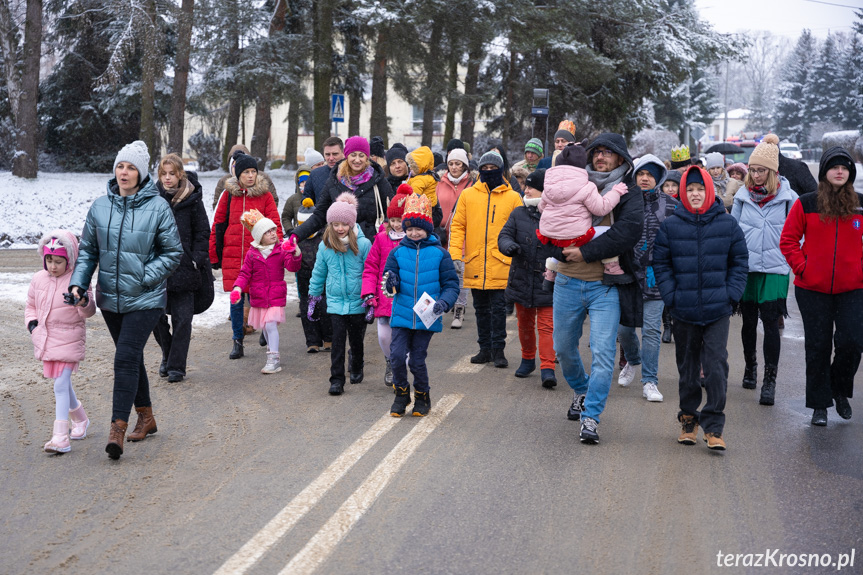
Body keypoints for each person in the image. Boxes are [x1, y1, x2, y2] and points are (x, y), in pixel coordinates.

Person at [69, 140, 182, 460]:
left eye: (131, 167)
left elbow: (173, 253)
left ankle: (117, 427)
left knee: (125, 357)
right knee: (129, 356)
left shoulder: (157, 207)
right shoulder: (100, 206)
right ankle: (146, 416)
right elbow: (88, 252)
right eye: (121, 165)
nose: (124, 172)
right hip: (110, 300)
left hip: (146, 299)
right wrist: (79, 284)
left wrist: (144, 278)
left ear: (142, 173)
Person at [551, 133, 643, 445]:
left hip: (606, 286)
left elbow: (627, 232)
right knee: (563, 348)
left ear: (621, 159)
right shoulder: (569, 182)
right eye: (597, 152)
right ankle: (581, 389)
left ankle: (591, 416)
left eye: (608, 153)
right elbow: (548, 218)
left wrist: (586, 251)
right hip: (566, 279)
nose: (601, 157)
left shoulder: (629, 192)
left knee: (603, 353)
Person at [653, 165, 749, 451]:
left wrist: (731, 295)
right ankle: (688, 418)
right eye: (690, 190)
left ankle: (714, 425)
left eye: (700, 189)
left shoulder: (727, 223)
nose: (695, 194)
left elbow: (740, 262)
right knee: (688, 368)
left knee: (716, 366)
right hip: (683, 309)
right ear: (683, 193)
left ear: (710, 191)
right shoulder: (671, 225)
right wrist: (671, 296)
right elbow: (662, 263)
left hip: (717, 309)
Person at [780, 147, 863, 426]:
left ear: (850, 172)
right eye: (834, 167)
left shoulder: (860, 204)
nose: (839, 171)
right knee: (817, 346)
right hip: (813, 289)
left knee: (852, 342)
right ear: (825, 171)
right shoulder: (806, 203)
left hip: (853, 288)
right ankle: (819, 405)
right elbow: (788, 240)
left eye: (845, 167)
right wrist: (803, 267)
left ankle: (838, 390)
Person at [731, 134, 798, 405]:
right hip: (747, 268)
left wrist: (792, 259)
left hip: (775, 269)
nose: (756, 175)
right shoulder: (741, 195)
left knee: (770, 323)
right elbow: (732, 232)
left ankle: (770, 380)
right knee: (747, 322)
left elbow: (797, 235)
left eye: (761, 170)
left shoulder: (787, 198)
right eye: (753, 169)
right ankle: (751, 368)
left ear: (772, 172)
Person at [382, 193, 459, 416]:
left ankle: (423, 396)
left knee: (416, 360)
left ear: (428, 228)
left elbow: (451, 285)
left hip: (427, 316)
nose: (414, 233)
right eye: (409, 229)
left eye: (419, 228)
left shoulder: (440, 254)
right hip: (402, 314)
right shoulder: (396, 253)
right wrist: (391, 282)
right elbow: (388, 280)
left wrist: (444, 303)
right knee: (396, 356)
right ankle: (401, 394)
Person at [448, 150, 523, 368]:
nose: (489, 172)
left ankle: (498, 350)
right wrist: (454, 255)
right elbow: (458, 226)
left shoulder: (513, 197)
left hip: (502, 262)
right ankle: (485, 349)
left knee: (499, 308)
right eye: (485, 168)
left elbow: (521, 227)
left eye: (493, 168)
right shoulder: (468, 195)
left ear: (501, 170)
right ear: (478, 170)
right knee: (480, 308)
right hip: (475, 260)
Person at [27, 230, 97, 453]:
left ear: (69, 259)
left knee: (60, 384)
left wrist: (82, 301)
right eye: (49, 260)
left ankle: (60, 438)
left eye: (58, 261)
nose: (53, 266)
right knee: (63, 383)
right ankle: (81, 419)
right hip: (46, 337)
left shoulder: (78, 279)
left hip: (69, 338)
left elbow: (89, 311)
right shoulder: (39, 278)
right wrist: (32, 324)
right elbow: (30, 306)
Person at [210, 153, 284, 361]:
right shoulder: (229, 195)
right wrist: (214, 254)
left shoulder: (265, 196)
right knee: (236, 299)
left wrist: (276, 247)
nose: (250, 176)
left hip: (259, 257)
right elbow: (218, 225)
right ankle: (237, 339)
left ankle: (264, 329)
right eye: (246, 172)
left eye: (253, 172)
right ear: (238, 174)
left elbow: (275, 224)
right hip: (233, 255)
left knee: (258, 297)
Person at [616, 155, 678, 402]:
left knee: (652, 330)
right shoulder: (622, 202)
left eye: (650, 175)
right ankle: (633, 359)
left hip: (656, 276)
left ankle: (650, 381)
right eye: (641, 173)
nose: (644, 178)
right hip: (626, 276)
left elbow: (679, 240)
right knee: (624, 328)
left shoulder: (672, 206)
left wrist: (667, 268)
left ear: (658, 178)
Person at [151, 154, 210, 384]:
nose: (167, 178)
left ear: (180, 175)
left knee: (183, 319)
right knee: (155, 317)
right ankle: (167, 353)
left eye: (172, 174)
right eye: (163, 174)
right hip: (158, 270)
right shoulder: (151, 199)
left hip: (186, 269)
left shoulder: (193, 200)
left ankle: (176, 366)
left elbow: (203, 232)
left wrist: (196, 258)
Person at [497, 169, 558, 387]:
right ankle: (527, 359)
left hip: (547, 281)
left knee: (546, 326)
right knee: (524, 324)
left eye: (531, 186)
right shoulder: (518, 213)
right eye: (527, 186)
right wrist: (508, 246)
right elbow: (504, 236)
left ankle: (548, 367)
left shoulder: (556, 214)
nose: (526, 189)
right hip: (521, 278)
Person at [308, 193, 372, 395]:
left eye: (344, 224)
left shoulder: (363, 245)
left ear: (351, 224)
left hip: (357, 301)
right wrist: (314, 296)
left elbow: (370, 272)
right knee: (337, 343)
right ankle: (336, 380)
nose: (339, 228)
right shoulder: (325, 246)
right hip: (335, 302)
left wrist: (371, 297)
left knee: (355, 340)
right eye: (335, 224)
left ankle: (357, 365)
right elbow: (319, 272)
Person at [536, 142, 629, 281]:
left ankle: (550, 270)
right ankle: (611, 265)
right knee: (606, 231)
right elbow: (601, 208)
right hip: (577, 235)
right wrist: (615, 192)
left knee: (561, 242)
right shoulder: (587, 186)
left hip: (550, 235)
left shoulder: (548, 186)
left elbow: (541, 208)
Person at [231, 210, 302, 374]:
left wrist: (295, 253)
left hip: (276, 296)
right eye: (267, 232)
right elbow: (244, 274)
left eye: (273, 230)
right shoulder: (252, 254)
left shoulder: (281, 249)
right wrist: (237, 288)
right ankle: (271, 350)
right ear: (259, 236)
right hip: (259, 297)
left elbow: (292, 266)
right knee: (265, 327)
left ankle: (273, 359)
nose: (272, 233)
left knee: (270, 325)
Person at [291, 136, 394, 245]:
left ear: (367, 157)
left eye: (361, 155)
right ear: (346, 156)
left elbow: (392, 212)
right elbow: (319, 215)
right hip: (339, 246)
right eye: (353, 155)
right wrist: (296, 234)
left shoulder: (379, 181)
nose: (357, 160)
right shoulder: (334, 181)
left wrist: (384, 229)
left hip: (370, 247)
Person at [362, 186, 412, 386]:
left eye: (400, 220)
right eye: (393, 220)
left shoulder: (413, 239)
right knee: (384, 335)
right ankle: (390, 361)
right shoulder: (381, 239)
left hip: (407, 296)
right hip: (383, 297)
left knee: (404, 337)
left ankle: (401, 369)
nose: (396, 225)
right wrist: (368, 291)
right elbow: (371, 267)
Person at [436, 147, 474, 328]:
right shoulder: (440, 183)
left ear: (464, 165)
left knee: (461, 273)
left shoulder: (473, 184)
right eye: (451, 163)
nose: (454, 167)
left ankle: (459, 309)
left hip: (465, 235)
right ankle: (443, 304)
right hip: (443, 236)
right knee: (443, 273)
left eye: (458, 163)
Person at [293, 198, 333, 353]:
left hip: (323, 276)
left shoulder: (325, 235)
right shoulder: (296, 238)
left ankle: (328, 338)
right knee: (307, 308)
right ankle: (312, 341)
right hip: (304, 276)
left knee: (324, 307)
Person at [212, 144, 278, 209]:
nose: (238, 168)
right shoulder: (224, 181)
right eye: (235, 166)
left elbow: (273, 202)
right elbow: (217, 207)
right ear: (230, 167)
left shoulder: (263, 178)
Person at [406, 145, 444, 228]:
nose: (409, 168)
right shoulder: (427, 176)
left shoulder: (420, 180)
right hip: (431, 209)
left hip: (422, 211)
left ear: (419, 167)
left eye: (412, 166)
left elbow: (413, 198)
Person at [303, 137, 345, 203]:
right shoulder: (314, 174)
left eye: (335, 154)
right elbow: (306, 201)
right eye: (327, 154)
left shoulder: (354, 174)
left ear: (343, 153)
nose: (331, 158)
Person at [281, 163, 312, 229]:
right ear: (298, 183)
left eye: (307, 181)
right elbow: (286, 217)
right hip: (298, 235)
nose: (305, 184)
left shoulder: (317, 196)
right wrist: (289, 230)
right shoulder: (292, 199)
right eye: (302, 182)